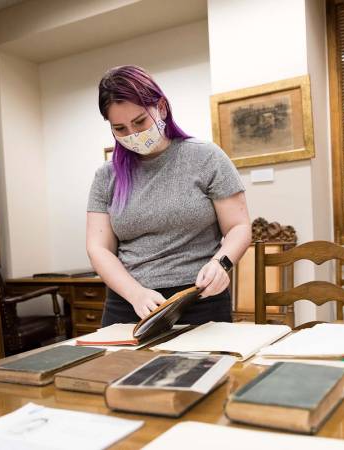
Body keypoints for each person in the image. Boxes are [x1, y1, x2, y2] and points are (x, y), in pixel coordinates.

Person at [86, 65, 251, 327]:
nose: (133, 134)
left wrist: (222, 263)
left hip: (198, 297)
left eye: (140, 122)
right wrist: (135, 293)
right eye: (120, 128)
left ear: (161, 107)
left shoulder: (206, 157)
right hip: (129, 304)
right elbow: (98, 248)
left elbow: (239, 226)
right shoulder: (106, 176)